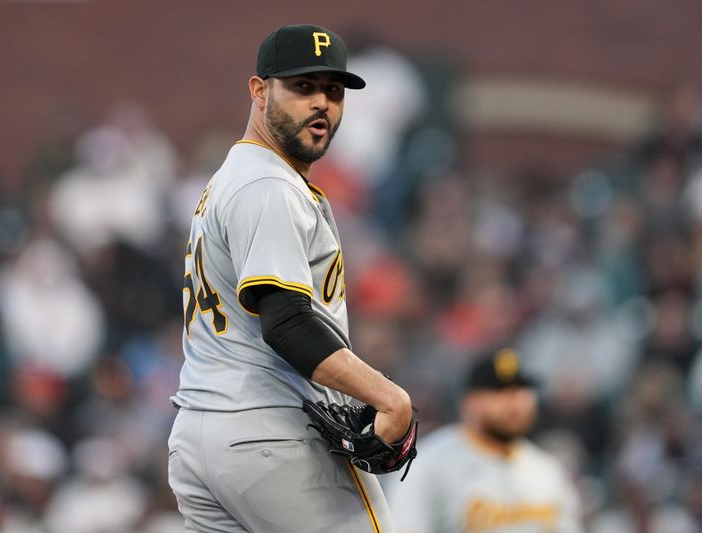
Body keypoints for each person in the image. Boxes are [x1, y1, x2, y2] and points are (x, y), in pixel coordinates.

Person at [167, 24, 415, 532]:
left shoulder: (233, 178)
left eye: (333, 91)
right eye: (302, 87)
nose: (321, 103)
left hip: (202, 437)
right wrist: (390, 397)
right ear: (259, 91)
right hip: (271, 433)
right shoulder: (268, 184)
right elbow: (286, 322)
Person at [387, 347, 584, 533]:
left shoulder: (547, 471)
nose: (516, 402)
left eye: (522, 390)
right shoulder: (427, 465)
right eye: (501, 391)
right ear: (469, 401)